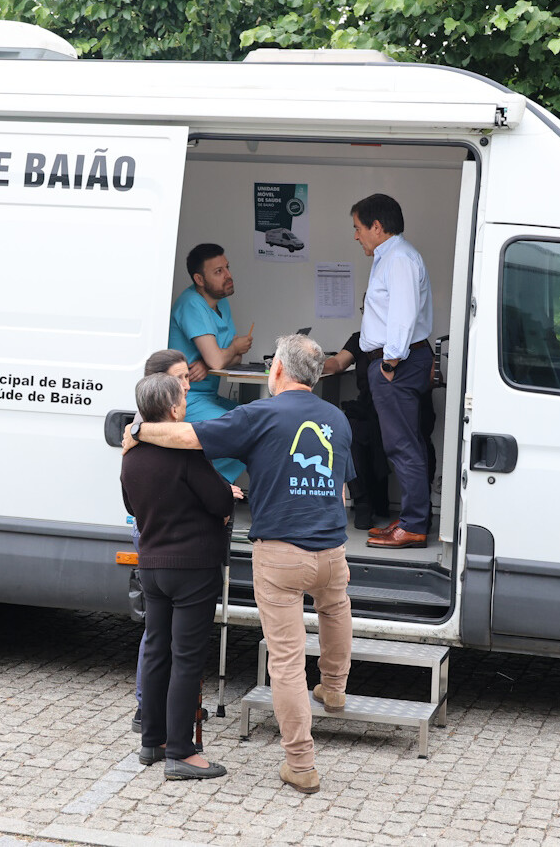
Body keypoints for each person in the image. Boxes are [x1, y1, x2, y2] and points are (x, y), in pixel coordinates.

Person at [124, 335, 353, 794]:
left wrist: (137, 431)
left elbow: (189, 437)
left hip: (280, 553)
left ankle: (301, 764)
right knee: (335, 609)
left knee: (285, 662)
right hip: (332, 548)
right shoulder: (338, 418)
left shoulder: (260, 414)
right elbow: (343, 486)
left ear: (278, 370)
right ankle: (333, 686)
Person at [120, 372, 234, 781]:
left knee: (156, 651)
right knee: (186, 658)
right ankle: (182, 751)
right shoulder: (186, 455)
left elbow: (130, 505)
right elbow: (220, 500)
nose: (186, 403)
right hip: (192, 567)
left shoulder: (130, 455)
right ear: (172, 410)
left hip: (152, 565)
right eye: (182, 399)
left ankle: (152, 741)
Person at [352, 194, 435, 548]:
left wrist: (389, 363)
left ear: (377, 226)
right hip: (396, 362)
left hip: (397, 363)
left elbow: (402, 315)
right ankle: (411, 519)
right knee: (405, 443)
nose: (356, 235)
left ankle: (413, 525)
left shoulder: (398, 258)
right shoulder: (390, 256)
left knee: (403, 445)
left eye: (358, 228)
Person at [168, 243, 253, 483]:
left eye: (227, 268)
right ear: (199, 279)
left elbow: (232, 359)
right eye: (218, 271)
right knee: (244, 432)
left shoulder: (221, 302)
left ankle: (209, 486)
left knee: (258, 423)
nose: (228, 275)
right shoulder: (191, 304)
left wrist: (211, 362)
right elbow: (223, 356)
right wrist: (226, 353)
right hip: (186, 399)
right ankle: (203, 485)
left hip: (208, 396)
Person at [322, 333, 390, 531]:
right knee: (351, 430)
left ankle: (374, 501)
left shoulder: (407, 336)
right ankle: (362, 502)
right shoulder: (361, 338)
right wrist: (304, 364)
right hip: (367, 405)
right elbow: (337, 364)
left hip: (396, 404)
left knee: (373, 429)